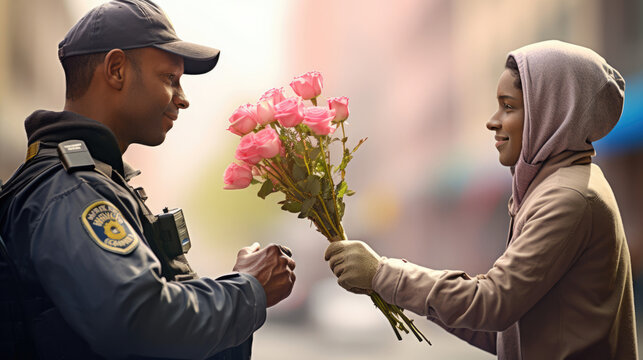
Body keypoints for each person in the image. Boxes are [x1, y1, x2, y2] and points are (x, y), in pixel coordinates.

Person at [0, 0, 295, 359]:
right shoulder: (70, 191)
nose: (182, 99)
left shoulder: (98, 181)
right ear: (116, 70)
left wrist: (240, 289)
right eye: (170, 79)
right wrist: (249, 289)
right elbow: (141, 322)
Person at [325, 40, 638, 359]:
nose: (493, 121)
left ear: (551, 111)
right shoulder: (554, 187)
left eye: (509, 106)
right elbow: (507, 333)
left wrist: (382, 273)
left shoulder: (568, 196)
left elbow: (492, 303)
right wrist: (390, 286)